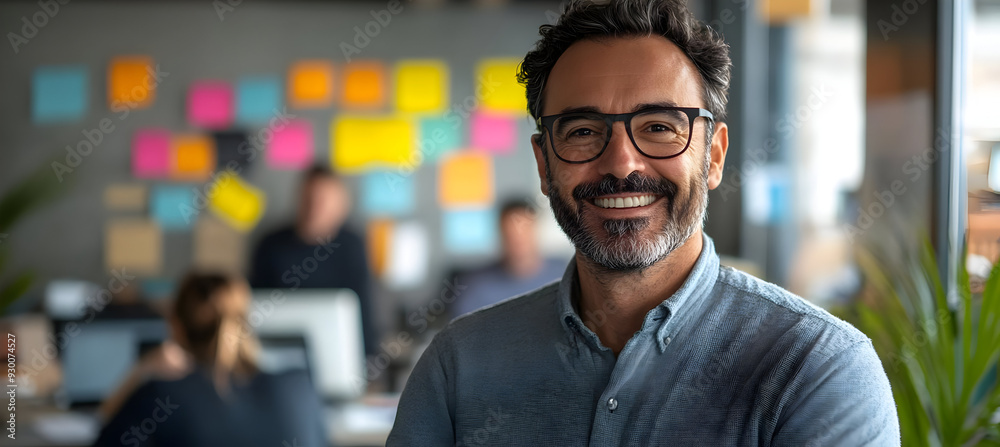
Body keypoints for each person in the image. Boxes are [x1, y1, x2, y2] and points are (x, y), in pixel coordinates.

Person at [388, 1, 900, 445]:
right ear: (544, 165)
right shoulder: (459, 366)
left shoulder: (817, 369)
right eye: (584, 131)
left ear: (714, 156)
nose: (622, 164)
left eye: (659, 127)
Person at [93, 272, 326, 447]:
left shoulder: (158, 397)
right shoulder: (300, 388)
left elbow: (105, 435)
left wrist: (141, 369)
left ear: (175, 326)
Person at [250, 165, 377, 357]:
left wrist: (369, 361)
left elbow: (364, 311)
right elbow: (254, 306)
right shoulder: (270, 245)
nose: (314, 209)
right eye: (308, 199)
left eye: (322, 201)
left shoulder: (352, 246)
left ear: (341, 206)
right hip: (277, 356)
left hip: (338, 357)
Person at [449, 198, 567, 318]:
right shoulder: (476, 289)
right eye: (511, 234)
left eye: (523, 232)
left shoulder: (566, 277)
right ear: (501, 234)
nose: (518, 242)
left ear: (535, 231)